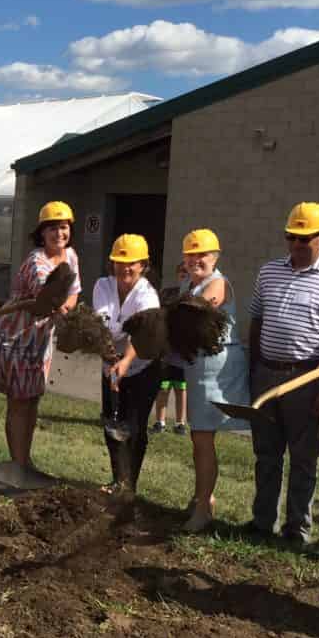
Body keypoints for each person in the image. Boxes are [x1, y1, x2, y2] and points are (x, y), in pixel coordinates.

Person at [246, 203, 319, 545]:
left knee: (303, 458)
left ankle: (297, 529)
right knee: (266, 454)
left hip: (306, 379)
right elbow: (257, 321)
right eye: (291, 236)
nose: (296, 243)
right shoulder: (268, 272)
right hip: (267, 372)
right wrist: (254, 368)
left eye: (305, 238)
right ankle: (262, 521)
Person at [0, 200, 80, 469]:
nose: (58, 234)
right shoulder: (36, 263)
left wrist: (68, 308)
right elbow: (47, 301)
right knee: (19, 402)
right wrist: (62, 310)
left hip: (40, 338)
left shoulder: (71, 256)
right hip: (17, 337)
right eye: (51, 228)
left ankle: (24, 460)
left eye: (63, 227)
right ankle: (18, 465)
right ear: (41, 233)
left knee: (32, 400)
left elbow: (73, 292)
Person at [177, 228, 250, 533]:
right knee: (199, 438)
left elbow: (197, 311)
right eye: (191, 254)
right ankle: (201, 498)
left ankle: (204, 507)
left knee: (203, 438)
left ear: (215, 257)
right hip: (197, 366)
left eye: (202, 254)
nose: (197, 259)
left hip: (216, 369)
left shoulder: (216, 284)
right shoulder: (188, 284)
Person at [92, 234, 161, 496]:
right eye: (121, 262)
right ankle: (116, 479)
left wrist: (126, 361)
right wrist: (110, 359)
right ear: (113, 264)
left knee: (133, 427)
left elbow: (141, 334)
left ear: (143, 265)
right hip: (110, 365)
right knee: (111, 422)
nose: (126, 268)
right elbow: (101, 326)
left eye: (132, 263)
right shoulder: (103, 286)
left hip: (142, 367)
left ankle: (129, 484)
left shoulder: (148, 295)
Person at [152, 262, 189, 435]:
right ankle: (160, 421)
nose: (184, 274)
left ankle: (180, 423)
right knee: (163, 387)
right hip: (166, 350)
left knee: (181, 388)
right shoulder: (167, 294)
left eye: (187, 272)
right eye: (181, 271)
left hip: (184, 352)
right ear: (177, 273)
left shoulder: (194, 295)